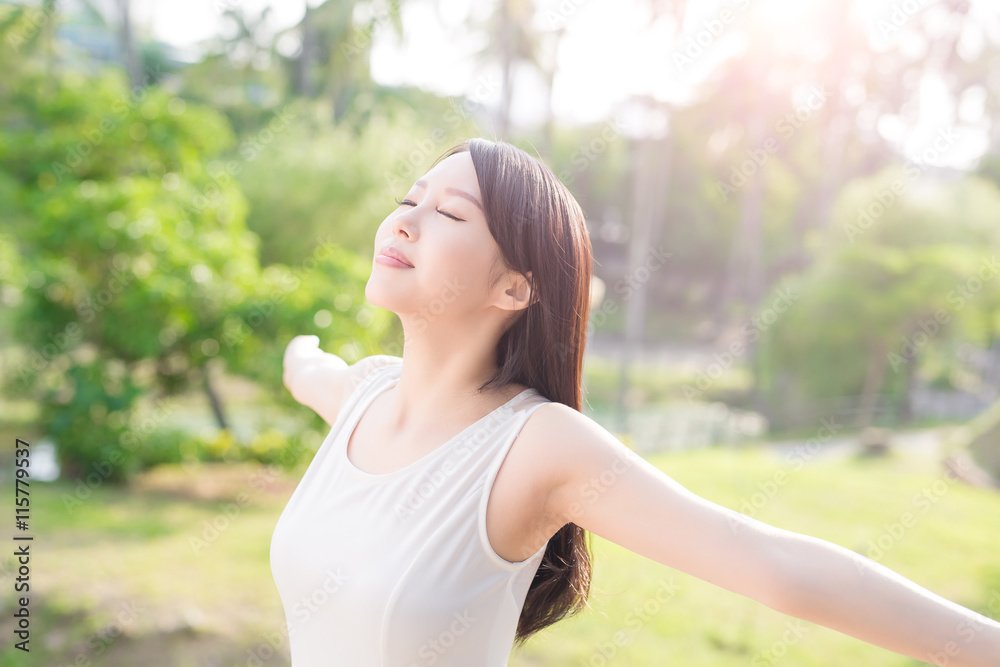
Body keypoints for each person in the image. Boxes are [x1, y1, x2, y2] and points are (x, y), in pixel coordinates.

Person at [270, 137, 1000, 666]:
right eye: (409, 199)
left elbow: (779, 567)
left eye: (450, 214)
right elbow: (312, 368)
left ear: (515, 288)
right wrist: (298, 350)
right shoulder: (363, 393)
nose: (403, 220)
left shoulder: (536, 445)